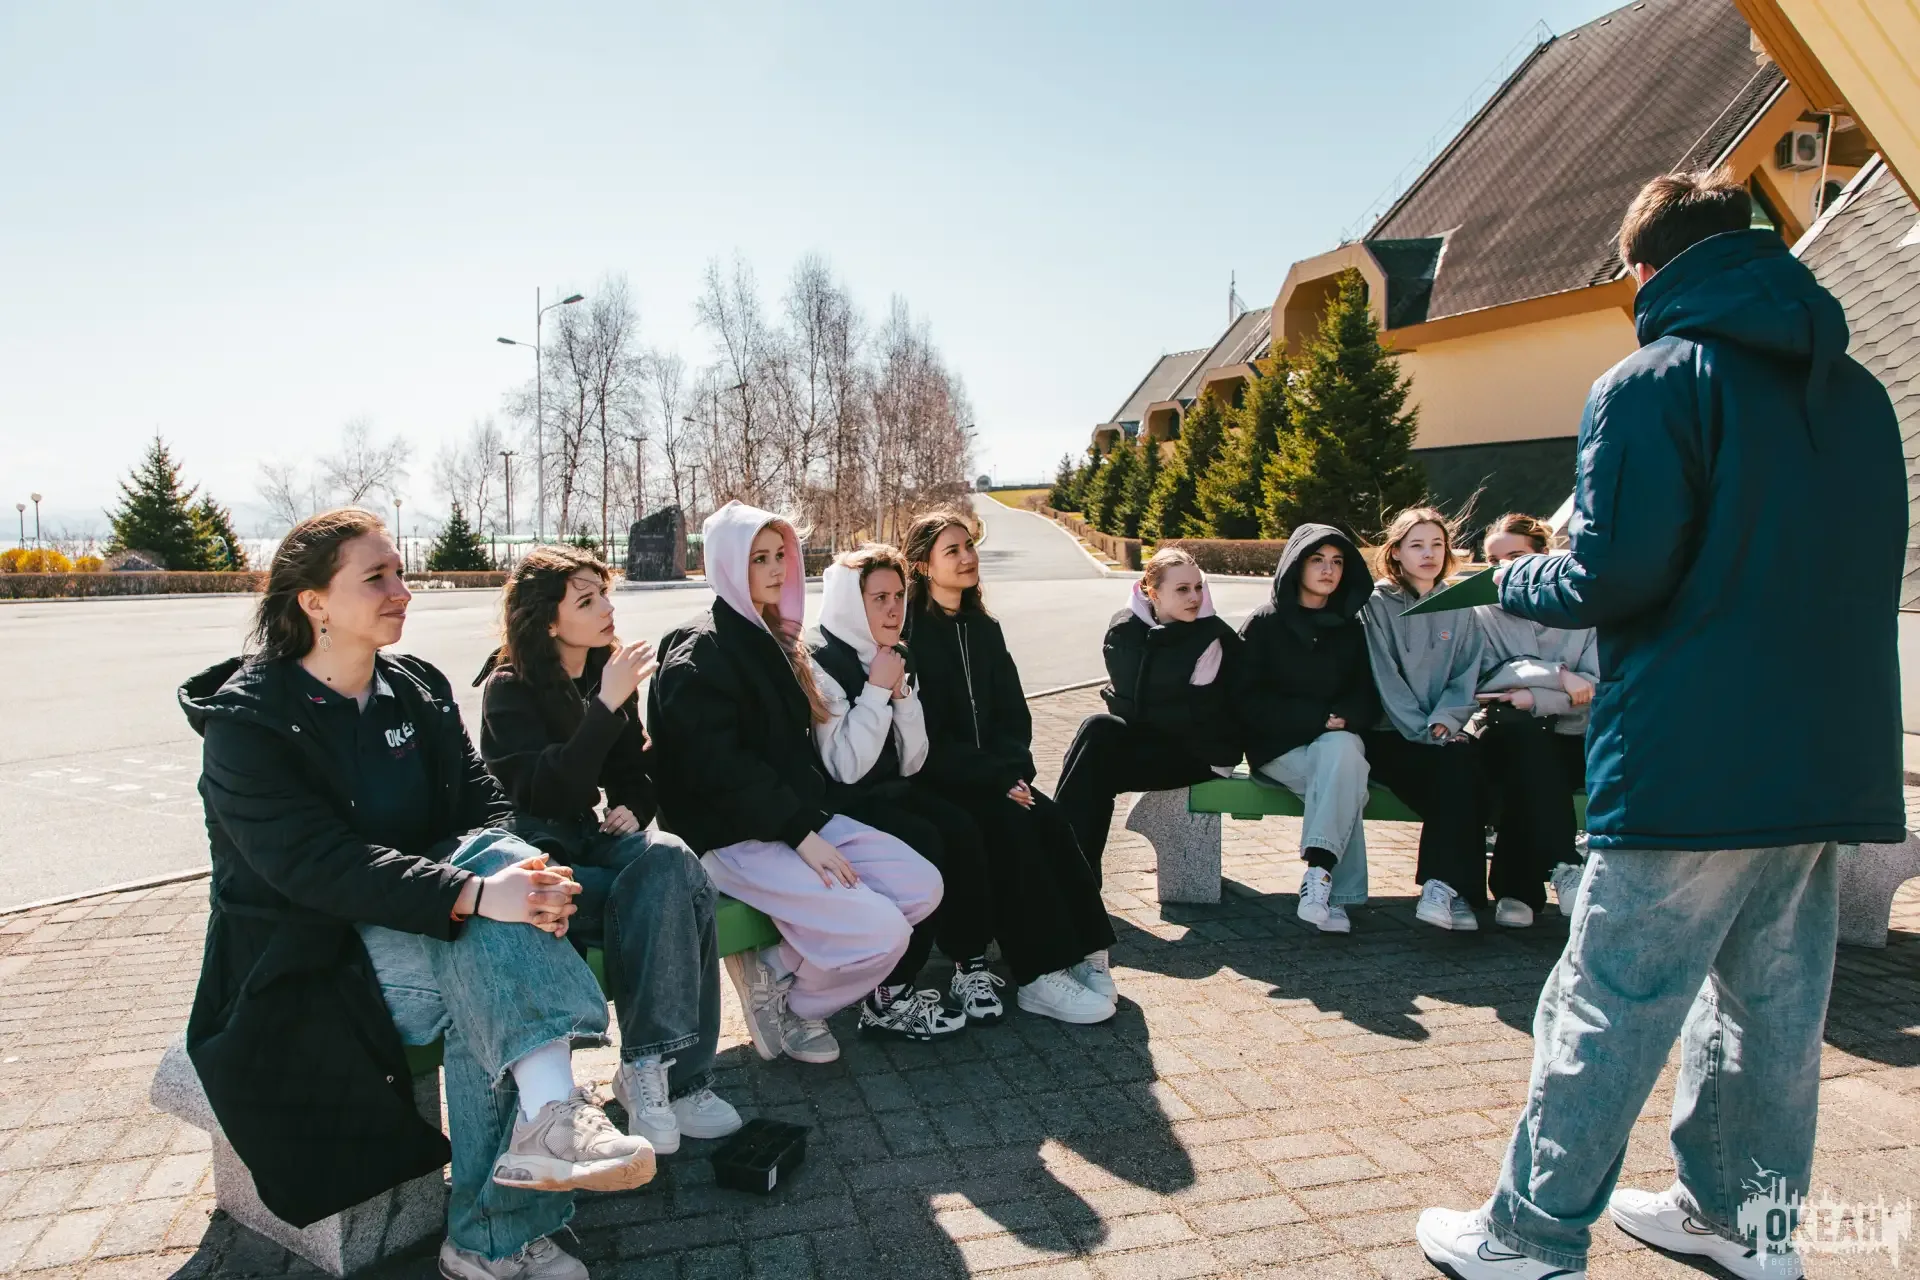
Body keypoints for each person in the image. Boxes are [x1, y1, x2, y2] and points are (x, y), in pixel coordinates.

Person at [1416, 173, 1906, 1280]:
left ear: (1643, 271)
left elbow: (1612, 572)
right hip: (1826, 758)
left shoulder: (1649, 381)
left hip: (1691, 755)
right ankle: (1745, 1224)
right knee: (1773, 1012)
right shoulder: (1859, 393)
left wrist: (1512, 575)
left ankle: (1529, 1235)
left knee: (1607, 1000)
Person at [179, 509, 652, 1280]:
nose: (402, 591)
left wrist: (519, 876)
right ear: (314, 601)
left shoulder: (416, 687)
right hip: (309, 954)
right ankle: (515, 1192)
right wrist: (476, 893)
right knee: (495, 949)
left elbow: (486, 808)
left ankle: (511, 1198)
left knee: (495, 950)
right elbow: (316, 866)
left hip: (430, 926)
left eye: (400, 573)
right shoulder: (250, 722)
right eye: (377, 578)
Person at [647, 501, 944, 1067]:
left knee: (921, 887)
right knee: (884, 934)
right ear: (727, 566)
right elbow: (716, 769)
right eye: (758, 559)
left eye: (779, 555)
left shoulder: (775, 637)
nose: (776, 569)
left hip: (795, 819)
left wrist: (807, 823)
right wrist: (800, 833)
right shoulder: (700, 650)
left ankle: (777, 971)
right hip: (733, 836)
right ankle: (803, 1006)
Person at [475, 545, 740, 1154]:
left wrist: (633, 808)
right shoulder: (509, 688)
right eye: (586, 600)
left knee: (672, 861)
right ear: (548, 620)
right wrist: (604, 706)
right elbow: (544, 790)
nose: (606, 609)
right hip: (541, 861)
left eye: (604, 595)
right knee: (671, 894)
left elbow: (633, 771)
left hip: (596, 841)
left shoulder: (604, 670)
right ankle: (673, 1076)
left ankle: (650, 1070)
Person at [903, 508, 1118, 1025]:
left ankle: (1088, 952)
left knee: (1052, 820)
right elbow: (927, 737)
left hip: (998, 778)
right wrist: (997, 779)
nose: (967, 557)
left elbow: (1013, 714)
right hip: (942, 781)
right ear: (923, 565)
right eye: (952, 550)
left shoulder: (985, 628)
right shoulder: (911, 635)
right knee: (1010, 829)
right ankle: (1039, 975)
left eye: (969, 547)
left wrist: (1016, 772)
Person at [807, 545, 989, 1038]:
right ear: (851, 602)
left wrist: (901, 695)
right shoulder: (820, 661)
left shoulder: (889, 655)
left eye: (899, 596)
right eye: (879, 598)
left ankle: (968, 962)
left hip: (888, 791)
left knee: (962, 827)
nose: (894, 610)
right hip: (841, 806)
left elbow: (913, 761)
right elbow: (845, 768)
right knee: (924, 842)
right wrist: (874, 691)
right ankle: (889, 995)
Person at [1055, 547, 1243, 883]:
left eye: (1198, 587)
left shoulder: (1210, 639)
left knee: (1095, 762)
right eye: (1182, 589)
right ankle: (1073, 875)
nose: (1194, 597)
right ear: (1152, 593)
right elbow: (1130, 706)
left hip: (1202, 754)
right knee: (1096, 732)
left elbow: (1197, 718)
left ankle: (1064, 873)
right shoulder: (1125, 631)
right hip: (1156, 740)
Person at [1233, 524, 1379, 933]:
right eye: (1317, 560)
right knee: (1346, 780)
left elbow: (1366, 694)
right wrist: (1316, 718)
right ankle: (1338, 897)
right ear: (1297, 565)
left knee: (1343, 756)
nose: (1328, 570)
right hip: (1280, 749)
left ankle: (1319, 874)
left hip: (1335, 744)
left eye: (1337, 561)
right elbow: (1246, 700)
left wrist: (1343, 717)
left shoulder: (1351, 627)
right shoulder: (1264, 624)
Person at [1360, 506, 1490, 932]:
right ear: (1396, 552)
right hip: (1389, 735)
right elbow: (1384, 676)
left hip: (1441, 733)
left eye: (1437, 544)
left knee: (1462, 768)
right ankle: (1456, 892)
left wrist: (1447, 721)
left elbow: (1465, 672)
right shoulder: (1375, 604)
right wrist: (1423, 729)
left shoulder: (1460, 603)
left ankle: (1441, 887)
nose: (1429, 553)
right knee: (1461, 782)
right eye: (1416, 545)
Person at [1470, 513, 1596, 929]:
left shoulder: (1583, 611)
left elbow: (1596, 686)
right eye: (1493, 560)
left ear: (1545, 556)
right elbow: (1489, 679)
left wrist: (1532, 696)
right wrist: (1559, 676)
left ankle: (1515, 889)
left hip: (1573, 737)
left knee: (1535, 770)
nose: (1502, 569)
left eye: (1515, 556)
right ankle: (1564, 863)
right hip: (1506, 735)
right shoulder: (1483, 612)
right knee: (1522, 738)